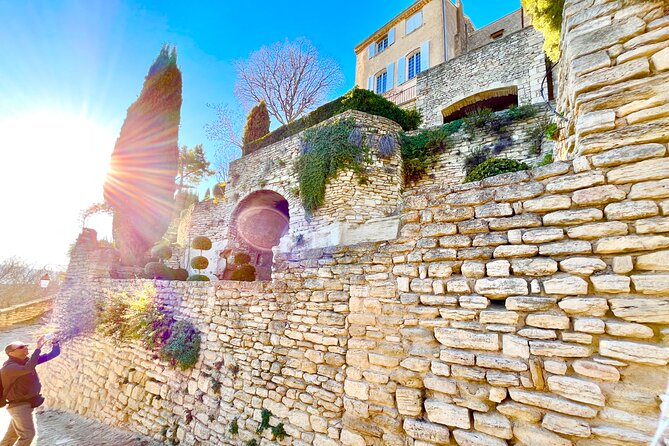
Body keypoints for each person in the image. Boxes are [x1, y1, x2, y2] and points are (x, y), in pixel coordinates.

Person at [0, 336, 60, 446]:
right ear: (11, 353)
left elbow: (51, 355)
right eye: (21, 347)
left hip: (24, 405)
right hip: (18, 407)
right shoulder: (9, 368)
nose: (26, 347)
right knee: (28, 435)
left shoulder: (26, 362)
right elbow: (28, 369)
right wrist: (38, 349)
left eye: (26, 345)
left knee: (11, 436)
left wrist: (55, 343)